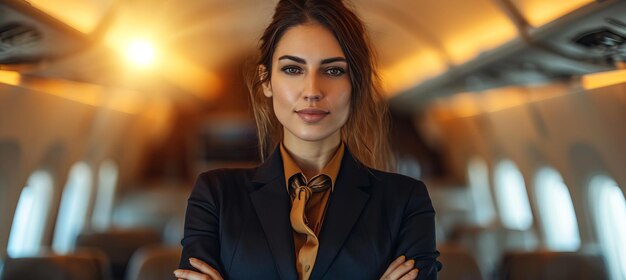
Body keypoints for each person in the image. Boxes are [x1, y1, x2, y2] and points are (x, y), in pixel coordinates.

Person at [174, 0, 441, 279]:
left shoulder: (405, 202)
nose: (312, 90)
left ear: (356, 84)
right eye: (293, 69)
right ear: (266, 80)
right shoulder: (216, 196)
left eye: (333, 70)